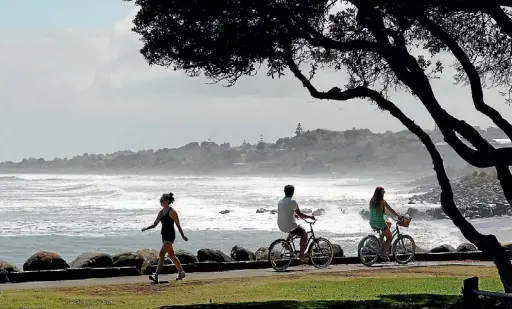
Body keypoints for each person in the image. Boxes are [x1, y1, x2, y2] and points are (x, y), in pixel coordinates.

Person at [142, 192, 188, 283]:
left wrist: (183, 236)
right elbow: (155, 224)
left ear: (167, 201)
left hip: (170, 236)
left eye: (162, 200)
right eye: (160, 200)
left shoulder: (172, 212)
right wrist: (146, 228)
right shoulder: (161, 212)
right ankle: (181, 272)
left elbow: (178, 225)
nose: (161, 201)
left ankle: (155, 275)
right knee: (171, 255)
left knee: (161, 254)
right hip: (164, 235)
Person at [277, 185, 315, 263]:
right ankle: (302, 255)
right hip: (289, 225)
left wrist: (294, 215)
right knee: (304, 234)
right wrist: (310, 217)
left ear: (284, 192)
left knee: (294, 229)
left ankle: (286, 243)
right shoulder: (293, 202)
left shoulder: (280, 202)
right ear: (293, 192)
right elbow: (301, 214)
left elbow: (286, 212)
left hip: (281, 225)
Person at [369, 186, 402, 261]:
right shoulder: (382, 201)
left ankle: (381, 240)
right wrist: (398, 216)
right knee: (390, 238)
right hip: (380, 223)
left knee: (389, 223)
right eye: (383, 192)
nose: (384, 193)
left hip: (372, 222)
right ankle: (384, 254)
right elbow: (391, 209)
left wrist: (386, 213)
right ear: (380, 193)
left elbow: (377, 212)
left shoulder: (372, 201)